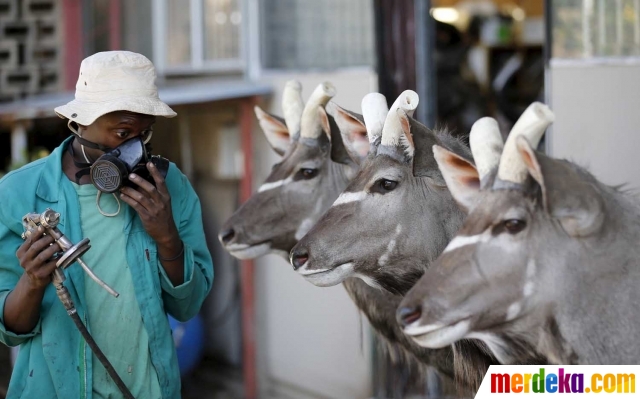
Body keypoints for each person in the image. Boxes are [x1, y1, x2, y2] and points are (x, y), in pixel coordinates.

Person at [0, 51, 214, 398]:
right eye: (122, 132)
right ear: (81, 122)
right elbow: (10, 330)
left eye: (143, 134)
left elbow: (187, 307)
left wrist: (166, 237)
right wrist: (34, 281)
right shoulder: (19, 193)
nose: (135, 148)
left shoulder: (169, 186)